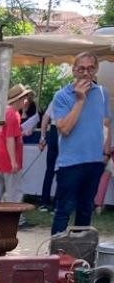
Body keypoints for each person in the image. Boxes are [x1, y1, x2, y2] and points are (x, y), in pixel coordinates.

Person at [51, 52, 112, 235]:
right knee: (64, 211)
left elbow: (106, 122)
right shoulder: (62, 96)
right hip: (70, 163)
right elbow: (64, 129)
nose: (86, 72)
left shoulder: (102, 93)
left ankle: (79, 255)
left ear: (96, 70)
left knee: (86, 211)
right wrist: (79, 100)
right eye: (81, 68)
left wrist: (105, 152)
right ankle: (56, 255)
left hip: (94, 162)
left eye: (90, 68)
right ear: (74, 70)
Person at [0, 83, 32, 203]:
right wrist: (13, 161)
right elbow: (9, 138)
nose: (26, 101)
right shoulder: (13, 114)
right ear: (18, 99)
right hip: (8, 158)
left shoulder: (2, 112)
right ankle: (15, 220)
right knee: (14, 192)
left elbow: (4, 134)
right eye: (24, 98)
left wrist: (21, 133)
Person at [38, 96, 59, 212]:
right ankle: (56, 204)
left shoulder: (57, 98)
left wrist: (42, 136)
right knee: (61, 169)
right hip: (62, 131)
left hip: (55, 131)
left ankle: (44, 202)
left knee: (50, 170)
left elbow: (45, 118)